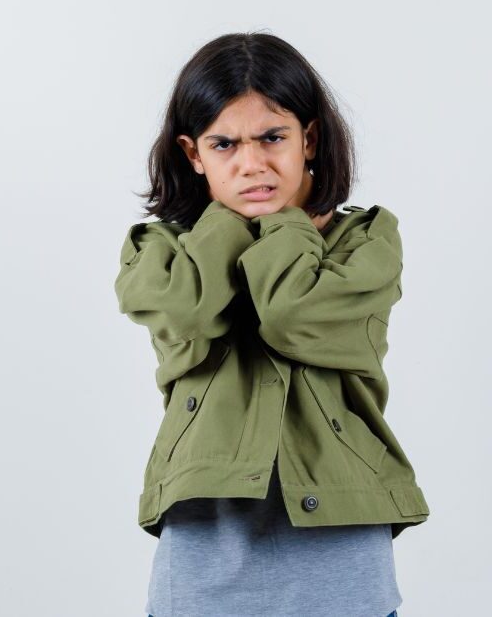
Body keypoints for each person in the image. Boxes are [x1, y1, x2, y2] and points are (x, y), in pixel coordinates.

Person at [113, 32, 428, 617]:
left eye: (272, 138)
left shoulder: (364, 240)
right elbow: (188, 311)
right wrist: (227, 221)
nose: (251, 162)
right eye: (224, 144)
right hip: (206, 546)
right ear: (193, 154)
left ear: (308, 138)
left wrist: (283, 220)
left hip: (343, 540)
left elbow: (292, 315)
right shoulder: (157, 248)